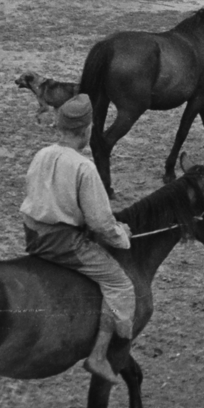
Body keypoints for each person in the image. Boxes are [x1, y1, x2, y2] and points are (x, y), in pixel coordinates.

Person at [20, 93, 135, 379]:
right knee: (120, 284)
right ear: (86, 130)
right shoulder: (84, 166)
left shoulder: (42, 154)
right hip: (60, 242)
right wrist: (123, 236)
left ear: (60, 128)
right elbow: (100, 223)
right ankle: (98, 356)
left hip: (32, 234)